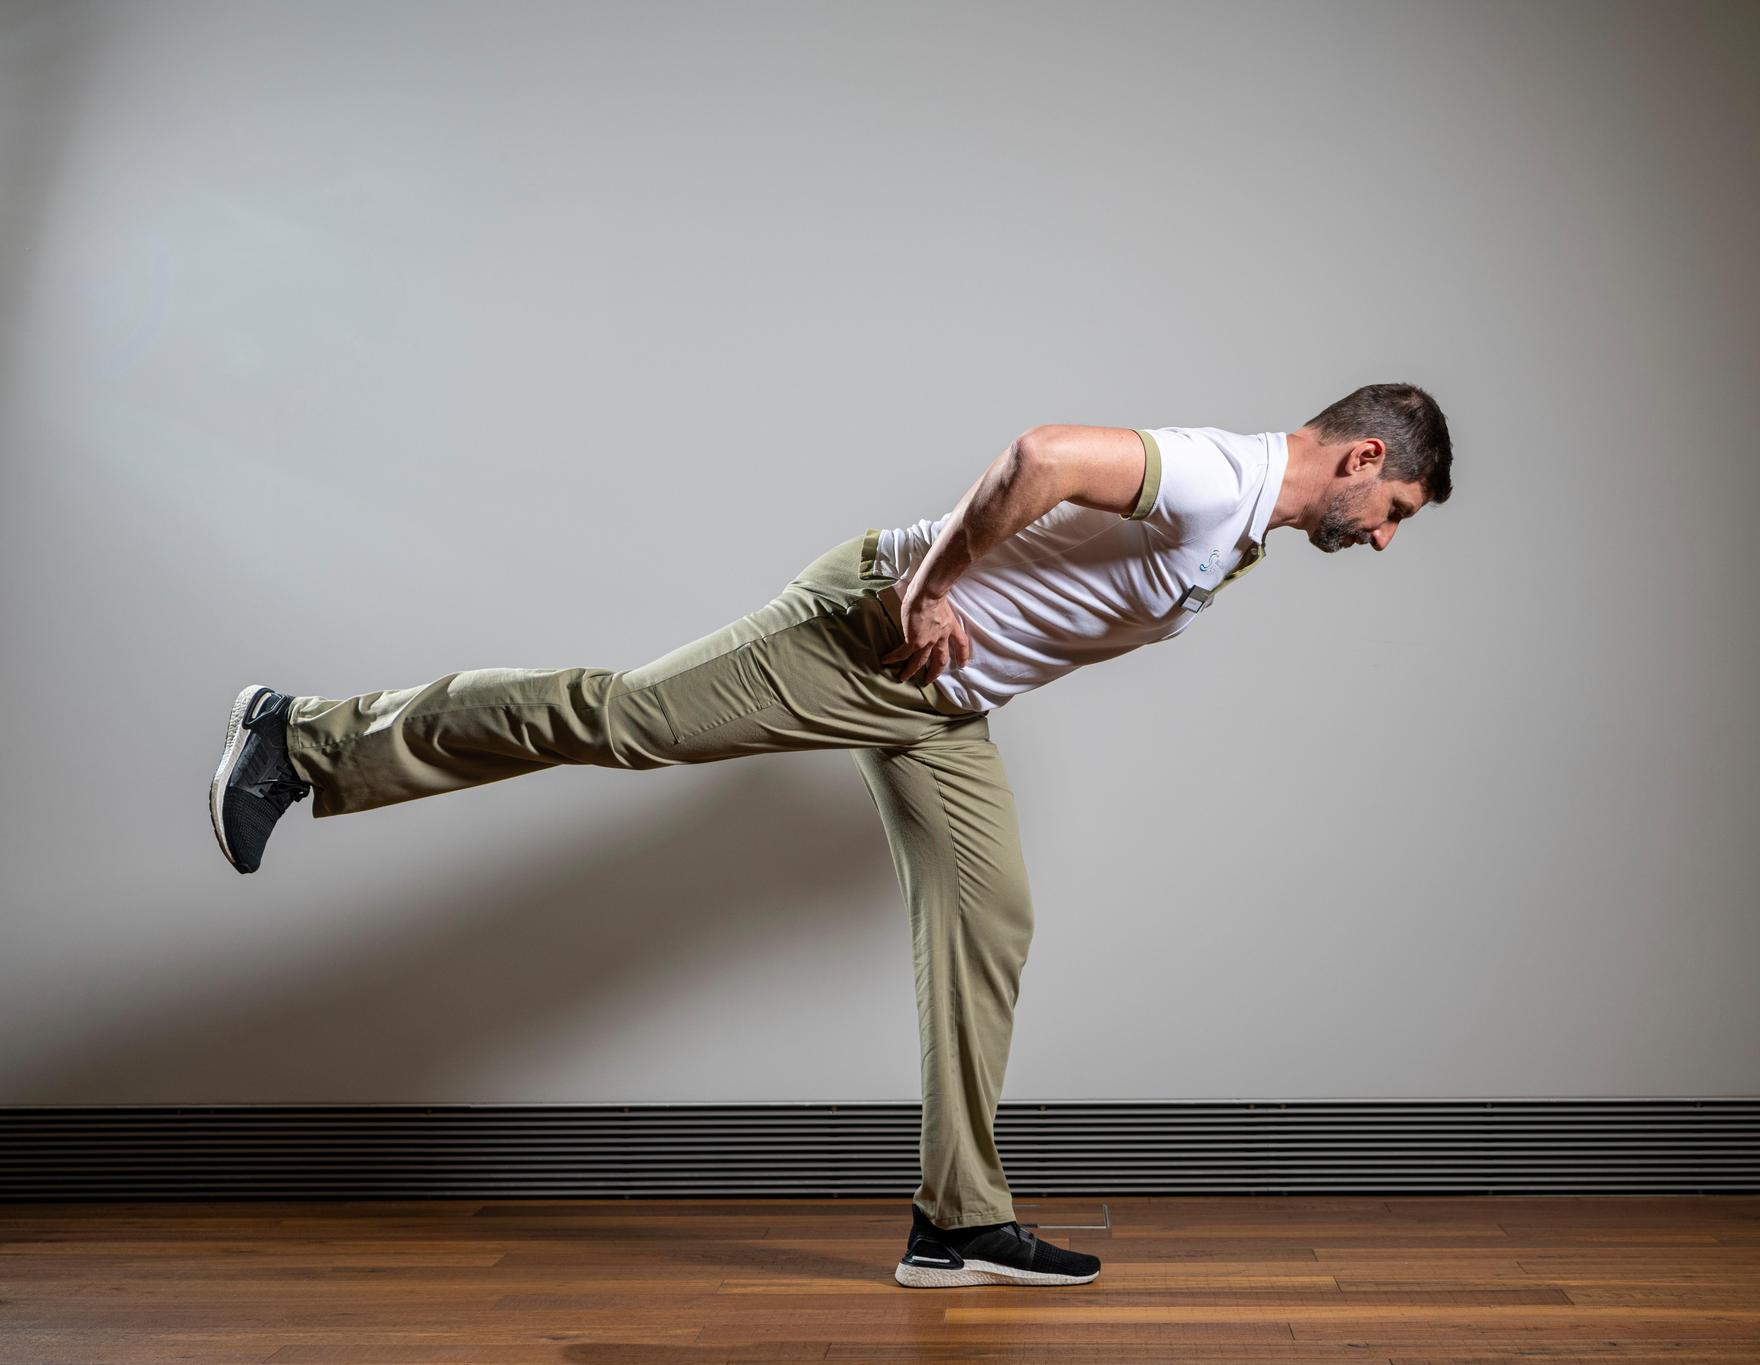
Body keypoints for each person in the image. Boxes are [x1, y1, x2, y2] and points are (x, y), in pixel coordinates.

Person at [206, 381, 1455, 1288]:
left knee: (988, 913)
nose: (1385, 536)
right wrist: (927, 587)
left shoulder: (1241, 526)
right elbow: (1042, 453)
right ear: (1356, 457)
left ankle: (958, 1222)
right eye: (1393, 507)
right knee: (627, 718)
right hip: (868, 634)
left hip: (941, 704)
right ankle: (305, 736)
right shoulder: (1219, 476)